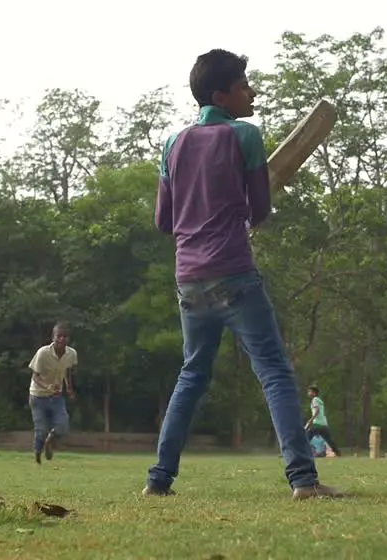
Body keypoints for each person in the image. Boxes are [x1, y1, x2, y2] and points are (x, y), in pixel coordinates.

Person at [143, 49, 341, 500]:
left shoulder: (172, 144)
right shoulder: (245, 135)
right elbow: (258, 209)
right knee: (273, 371)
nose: (252, 91)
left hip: (188, 279)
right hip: (233, 271)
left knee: (192, 375)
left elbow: (162, 220)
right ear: (222, 94)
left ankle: (158, 481)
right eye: (244, 84)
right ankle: (304, 481)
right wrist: (246, 206)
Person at [28, 323, 77, 465]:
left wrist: (69, 388)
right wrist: (47, 386)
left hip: (56, 396)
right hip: (37, 396)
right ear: (53, 337)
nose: (62, 339)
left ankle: (50, 441)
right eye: (59, 336)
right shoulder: (43, 353)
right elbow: (35, 376)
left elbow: (68, 372)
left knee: (63, 426)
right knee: (41, 429)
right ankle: (38, 452)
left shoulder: (71, 354)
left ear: (68, 339)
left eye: (65, 336)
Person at [304, 385, 340, 457]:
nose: (308, 393)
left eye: (310, 391)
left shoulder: (315, 400)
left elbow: (317, 410)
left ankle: (301, 452)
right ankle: (337, 452)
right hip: (323, 424)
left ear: (314, 393)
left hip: (317, 423)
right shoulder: (320, 400)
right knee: (329, 440)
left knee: (306, 437)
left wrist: (311, 419)